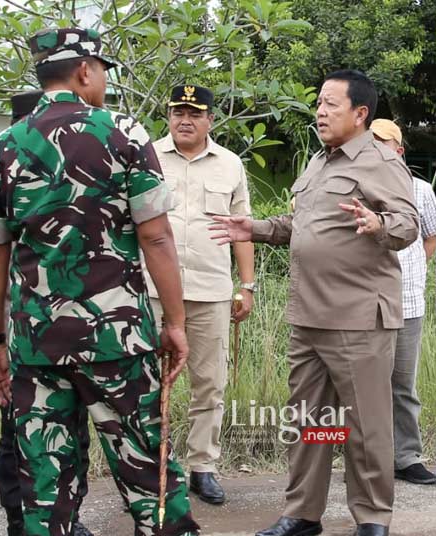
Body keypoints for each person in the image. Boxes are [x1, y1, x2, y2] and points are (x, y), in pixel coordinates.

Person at [0, 28, 200, 536]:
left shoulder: (2, 148)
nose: (102, 80)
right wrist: (176, 322)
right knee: (148, 471)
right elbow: (158, 239)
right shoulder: (125, 134)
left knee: (46, 485)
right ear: (84, 71)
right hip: (116, 341)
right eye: (101, 71)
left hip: (36, 345)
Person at [211, 70, 419, 536]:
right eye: (319, 104)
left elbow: (407, 224)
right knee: (309, 423)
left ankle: (372, 518)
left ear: (361, 113)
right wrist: (256, 229)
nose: (320, 112)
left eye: (331, 104)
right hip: (308, 316)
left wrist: (377, 224)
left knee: (366, 427)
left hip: (359, 317)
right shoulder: (319, 164)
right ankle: (303, 513)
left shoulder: (380, 162)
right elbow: (300, 225)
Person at [0, 89, 93, 536]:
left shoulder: (67, 178)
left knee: (71, 431)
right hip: (19, 333)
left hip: (66, 330)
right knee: (19, 436)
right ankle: (20, 518)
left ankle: (67, 514)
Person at [143, 84, 255, 505]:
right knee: (147, 384)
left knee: (209, 384)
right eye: (178, 111)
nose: (185, 119)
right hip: (152, 291)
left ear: (211, 119)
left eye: (195, 112)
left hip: (210, 292)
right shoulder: (147, 157)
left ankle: (202, 467)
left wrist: (247, 286)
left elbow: (242, 229)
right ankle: (150, 469)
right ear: (168, 115)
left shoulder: (230, 164)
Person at [370, 118, 436, 486]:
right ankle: (367, 461)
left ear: (399, 150)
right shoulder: (358, 188)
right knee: (364, 386)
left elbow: (431, 234)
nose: (379, 150)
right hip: (365, 303)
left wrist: (414, 269)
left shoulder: (421, 190)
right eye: (372, 143)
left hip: (408, 301)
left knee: (403, 386)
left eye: (385, 144)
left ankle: (407, 457)